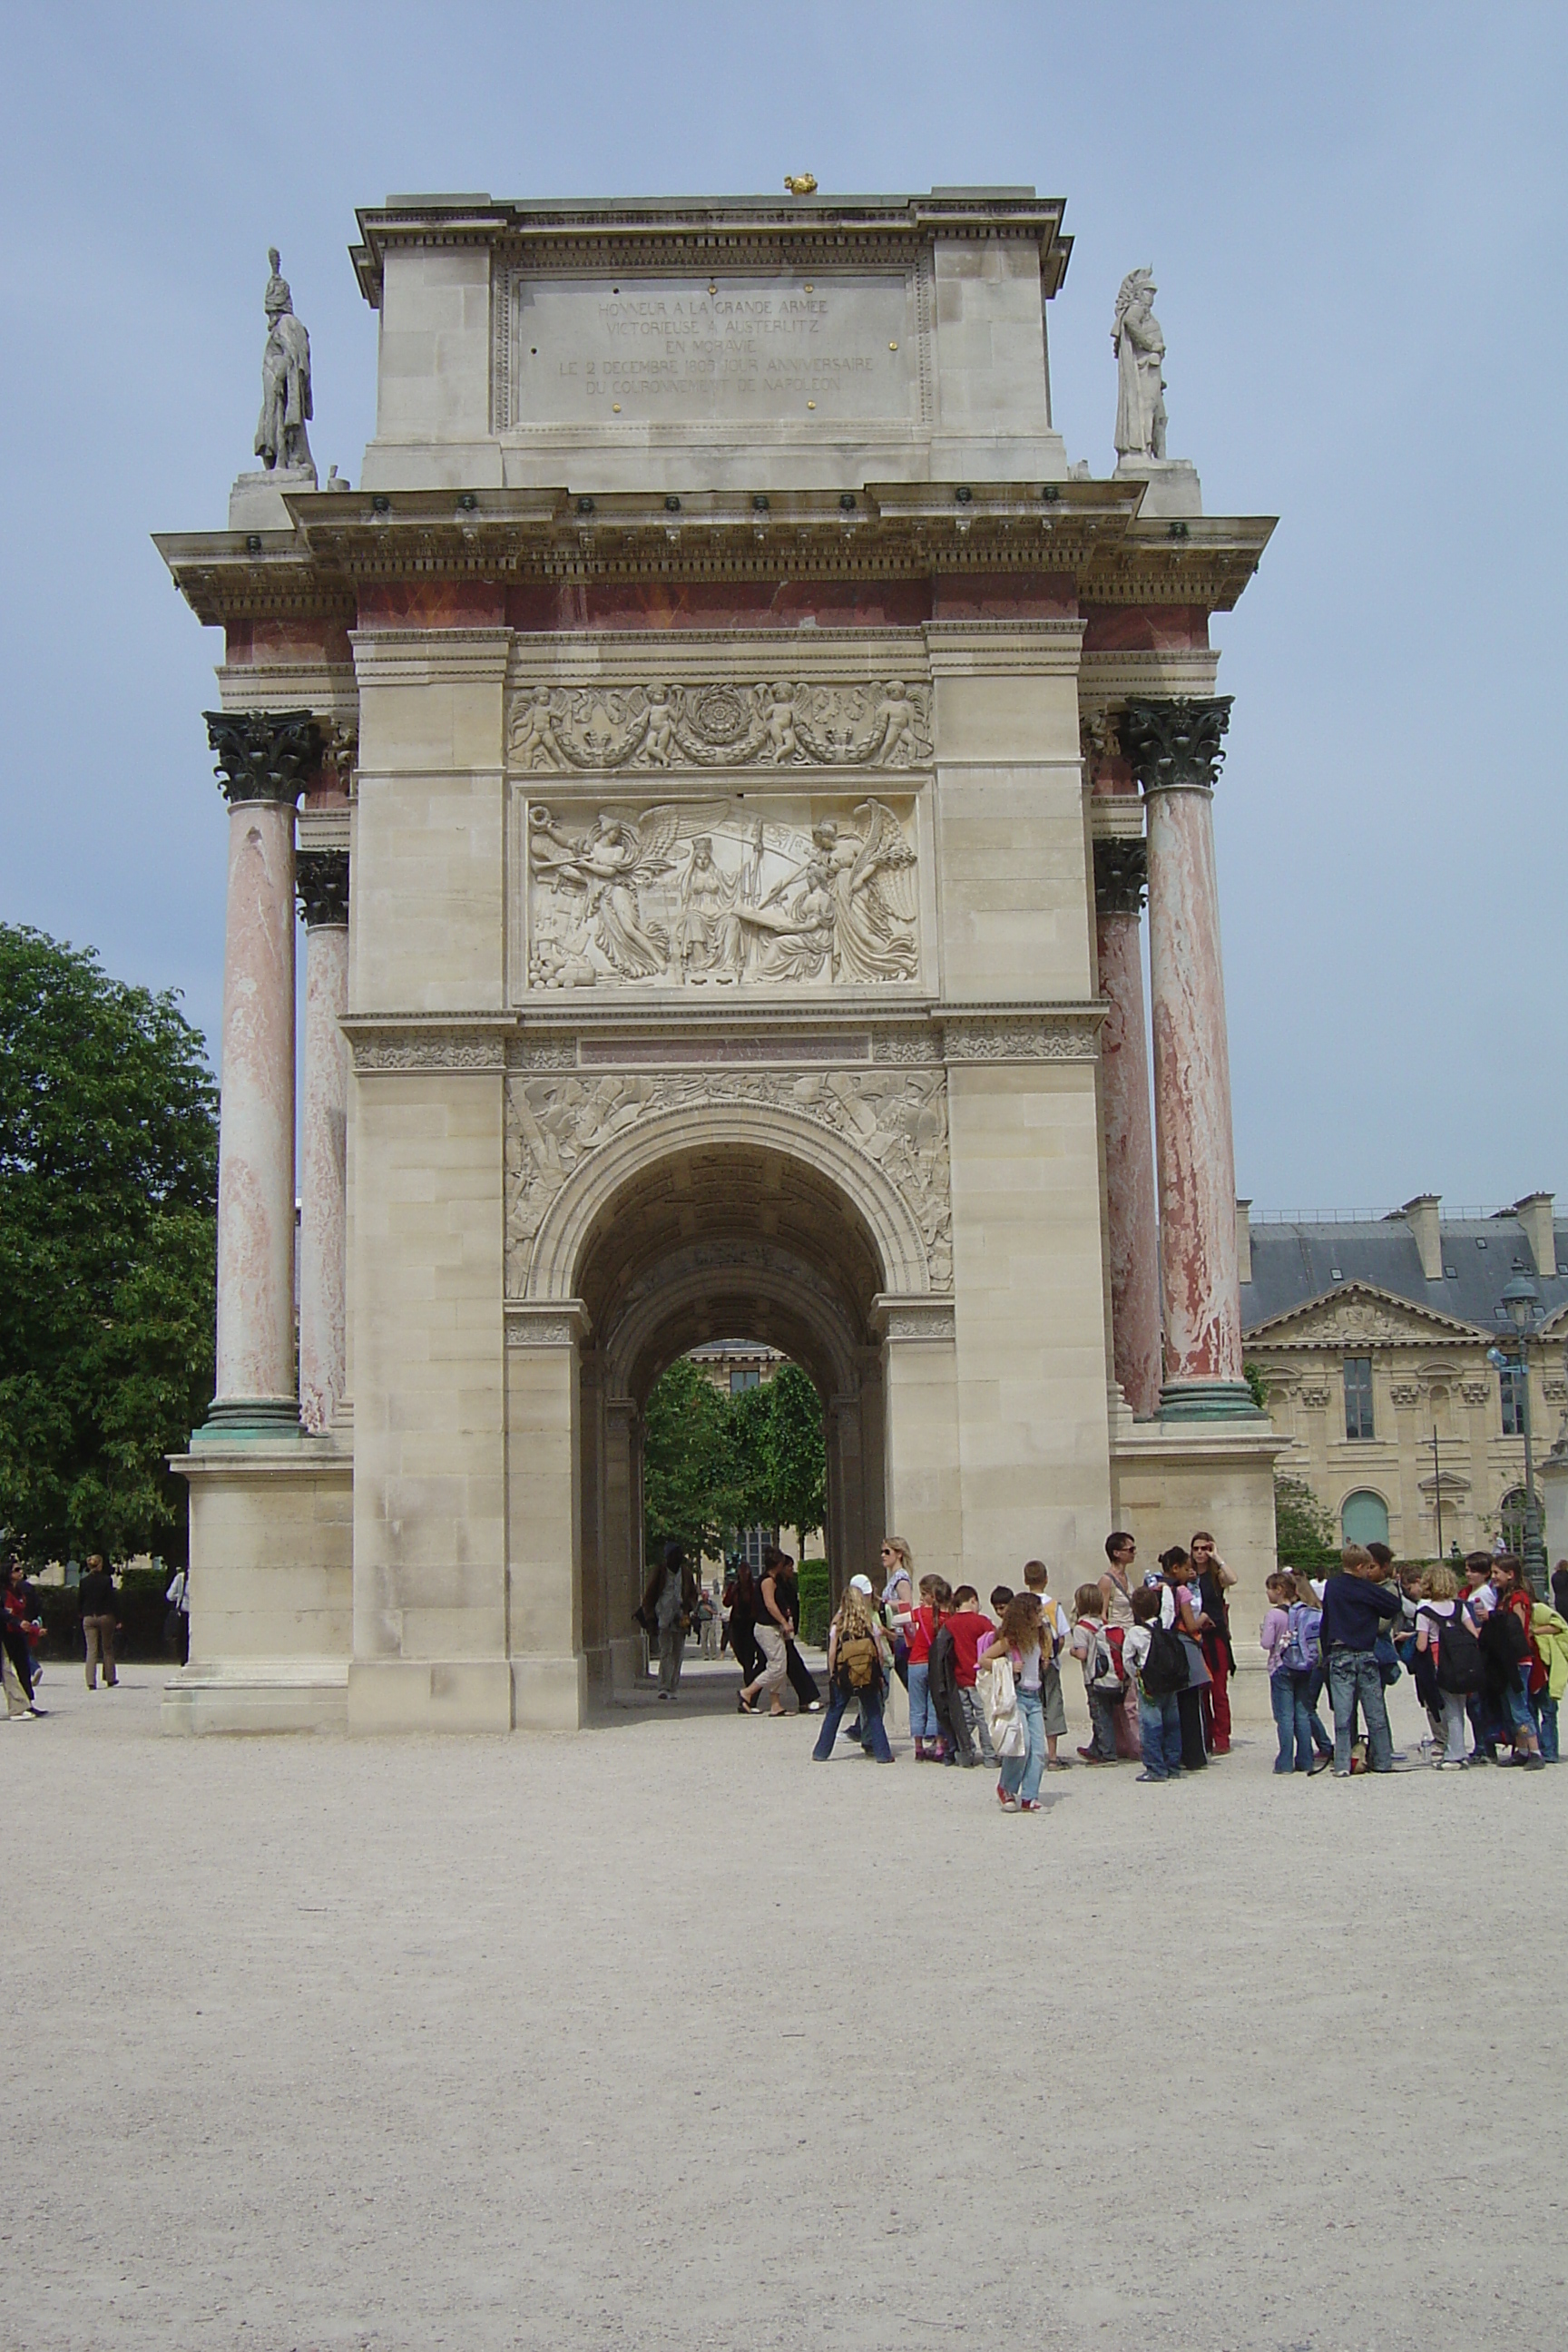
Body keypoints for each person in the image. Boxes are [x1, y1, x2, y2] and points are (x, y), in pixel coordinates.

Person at [1319, 1544, 1401, 1776]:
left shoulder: (1332, 1587)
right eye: (1367, 1568)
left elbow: (1326, 1621)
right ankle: (1383, 1760)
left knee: (1343, 1715)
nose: (1369, 1573)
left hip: (1339, 1653)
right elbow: (1393, 1606)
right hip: (1366, 1653)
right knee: (1375, 1712)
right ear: (1359, 1566)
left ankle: (1343, 1764)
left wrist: (1326, 1655)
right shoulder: (1366, 1588)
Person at [812, 1583, 894, 1763]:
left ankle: (821, 1752)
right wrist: (878, 1673)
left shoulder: (838, 1628)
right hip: (866, 1675)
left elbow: (833, 1653)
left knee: (834, 1712)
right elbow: (879, 1652)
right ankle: (883, 1753)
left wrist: (832, 1674)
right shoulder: (870, 1626)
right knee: (873, 1713)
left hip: (844, 1675)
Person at [984, 1595, 1051, 1811]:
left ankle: (1030, 1795)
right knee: (1023, 1745)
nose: (1042, 1616)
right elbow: (984, 1659)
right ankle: (1007, 1787)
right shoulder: (1010, 1640)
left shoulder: (1041, 1636)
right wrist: (1007, 1667)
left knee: (1039, 1749)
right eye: (1038, 1612)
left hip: (1035, 1697)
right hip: (1018, 1696)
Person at [1481, 1557, 1545, 1769]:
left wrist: (1492, 1618)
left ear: (1511, 1574)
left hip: (1517, 1659)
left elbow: (1517, 1629)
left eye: (1497, 1572)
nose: (1494, 1577)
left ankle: (1535, 1750)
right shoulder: (1504, 1597)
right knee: (1511, 1706)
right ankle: (1522, 1749)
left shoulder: (1518, 1598)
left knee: (1519, 1706)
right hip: (1506, 1658)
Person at [1415, 1563, 1479, 1769]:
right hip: (1462, 1661)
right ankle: (1458, 1750)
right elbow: (1474, 1634)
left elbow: (1422, 1645)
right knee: (1459, 1708)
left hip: (1440, 1661)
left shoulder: (1425, 1612)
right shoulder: (1460, 1606)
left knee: (1449, 1710)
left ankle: (1454, 1754)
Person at [1159, 1547, 1210, 1771]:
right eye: (1187, 1567)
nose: (1190, 1572)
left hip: (1163, 1649)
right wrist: (1204, 1618)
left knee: (1171, 1706)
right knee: (1190, 1705)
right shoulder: (1182, 1592)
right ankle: (1194, 1755)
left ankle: (1172, 1754)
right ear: (1176, 1568)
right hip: (1184, 1648)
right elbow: (1190, 1625)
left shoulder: (1155, 1587)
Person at [1020, 1562, 1073, 1769]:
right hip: (1049, 1662)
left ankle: (1029, 1754)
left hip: (1027, 1662)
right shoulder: (1052, 1605)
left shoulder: (1022, 1603)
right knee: (1051, 1704)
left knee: (1027, 1705)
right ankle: (1052, 1756)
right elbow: (1061, 1637)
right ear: (1046, 1578)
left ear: (1025, 1580)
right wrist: (1051, 1655)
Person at [1125, 1584, 1181, 1782]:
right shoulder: (1164, 1623)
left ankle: (1156, 1768)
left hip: (1148, 1683)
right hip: (1169, 1681)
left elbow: (1127, 1660)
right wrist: (1165, 1588)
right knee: (1172, 1723)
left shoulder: (1135, 1633)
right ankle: (1173, 1764)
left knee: (1151, 1725)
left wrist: (1136, 1677)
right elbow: (1169, 1608)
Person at [1190, 1532, 1236, 1756]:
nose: (1200, 1553)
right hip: (1196, 1637)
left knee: (1219, 1688)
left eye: (1204, 1548)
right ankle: (1205, 1735)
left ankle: (1222, 1736)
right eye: (1196, 1548)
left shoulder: (1215, 1575)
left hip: (1215, 1636)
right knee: (1201, 1690)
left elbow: (1233, 1578)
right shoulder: (1189, 1576)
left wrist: (1217, 1557)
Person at [1099, 1533, 1142, 1759]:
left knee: (1130, 1694)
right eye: (1130, 1549)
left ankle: (1126, 1741)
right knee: (1126, 1695)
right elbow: (1103, 1614)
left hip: (1130, 1638)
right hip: (1118, 1641)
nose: (1134, 1552)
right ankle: (1131, 1742)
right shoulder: (1107, 1581)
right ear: (1117, 1552)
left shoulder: (1127, 1577)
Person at [1069, 1584, 1124, 1763]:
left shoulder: (1081, 1628)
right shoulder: (1104, 1624)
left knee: (1100, 1715)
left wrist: (1072, 1651)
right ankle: (1095, 1748)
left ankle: (1107, 1753)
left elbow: (1082, 1654)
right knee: (1105, 1714)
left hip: (1094, 1677)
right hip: (1111, 1677)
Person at [945, 1586, 996, 1769]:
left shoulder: (950, 1624)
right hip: (979, 1677)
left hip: (959, 1679)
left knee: (964, 1719)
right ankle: (990, 1755)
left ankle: (965, 1755)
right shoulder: (982, 1622)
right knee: (983, 1717)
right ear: (973, 1600)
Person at [738, 1548, 793, 1717]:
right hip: (767, 1629)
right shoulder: (767, 1581)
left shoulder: (774, 1580)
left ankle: (775, 1704)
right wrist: (784, 1622)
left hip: (772, 1628)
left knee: (779, 1664)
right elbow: (770, 1604)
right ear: (777, 1564)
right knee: (777, 1666)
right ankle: (747, 1692)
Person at [643, 1542, 700, 1700]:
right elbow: (650, 1594)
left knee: (678, 1653)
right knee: (665, 1652)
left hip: (681, 1617)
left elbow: (693, 1595)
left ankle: (673, 1686)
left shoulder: (686, 1574)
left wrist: (690, 1609)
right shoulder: (660, 1572)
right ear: (668, 1557)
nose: (678, 1558)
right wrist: (650, 1618)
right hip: (663, 1616)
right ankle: (663, 1686)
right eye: (675, 1554)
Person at [1260, 1572, 1301, 1774]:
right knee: (1301, 1713)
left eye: (1269, 1589)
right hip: (1302, 1665)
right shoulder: (1300, 1611)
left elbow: (1267, 1643)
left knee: (1284, 1716)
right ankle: (1306, 1757)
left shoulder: (1274, 1615)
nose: (1267, 1593)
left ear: (1278, 1590)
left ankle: (1285, 1761)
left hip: (1280, 1664)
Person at [906, 1573, 947, 1761]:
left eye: (923, 1593)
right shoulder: (944, 1616)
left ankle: (918, 1747)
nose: (921, 1597)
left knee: (916, 1706)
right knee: (935, 1705)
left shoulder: (918, 1613)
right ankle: (939, 1745)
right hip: (934, 1665)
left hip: (916, 1662)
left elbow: (901, 1622)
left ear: (931, 1594)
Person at [773, 1555, 822, 1714]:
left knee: (791, 1665)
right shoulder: (778, 1585)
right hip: (779, 1629)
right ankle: (807, 1697)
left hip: (786, 1628)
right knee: (791, 1665)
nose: (791, 1571)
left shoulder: (788, 1584)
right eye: (789, 1567)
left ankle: (806, 1698)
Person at [3, 1558, 47, 1718]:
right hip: (6, 1633)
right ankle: (19, 1705)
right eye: (16, 1570)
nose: (20, 1572)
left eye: (20, 1569)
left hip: (17, 1631)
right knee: (5, 1670)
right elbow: (6, 1614)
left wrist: (34, 1629)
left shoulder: (20, 1590)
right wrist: (19, 1623)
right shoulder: (4, 1593)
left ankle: (27, 1702)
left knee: (23, 1667)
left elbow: (23, 1613)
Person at [79, 1553, 119, 1690]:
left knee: (91, 1649)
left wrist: (81, 1613)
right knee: (107, 1647)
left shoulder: (84, 1581)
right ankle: (110, 1677)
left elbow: (80, 1600)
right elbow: (111, 1600)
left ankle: (90, 1681)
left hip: (89, 1616)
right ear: (100, 1565)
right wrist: (118, 1618)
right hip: (105, 1615)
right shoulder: (106, 1580)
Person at [721, 1555, 762, 1685]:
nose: (744, 1574)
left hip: (750, 1624)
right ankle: (749, 1673)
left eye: (746, 1571)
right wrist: (732, 1592)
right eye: (741, 1571)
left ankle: (749, 1677)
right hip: (738, 1624)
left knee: (749, 1653)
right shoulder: (735, 1587)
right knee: (739, 1651)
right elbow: (726, 1603)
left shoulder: (754, 1587)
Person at [164, 1563, 191, 1664]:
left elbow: (170, 1596)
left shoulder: (180, 1577)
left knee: (182, 1639)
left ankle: (183, 1661)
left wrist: (179, 1596)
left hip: (183, 1612)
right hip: (194, 1614)